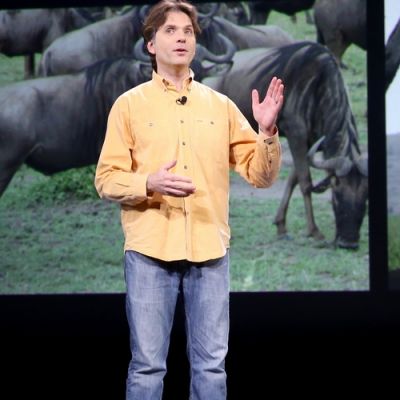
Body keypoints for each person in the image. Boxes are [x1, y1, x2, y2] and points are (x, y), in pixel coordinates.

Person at [95, 1, 284, 398]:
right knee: (147, 368)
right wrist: (149, 182)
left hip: (209, 251)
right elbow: (107, 180)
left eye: (188, 31)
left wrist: (266, 133)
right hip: (150, 252)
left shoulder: (220, 106)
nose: (181, 37)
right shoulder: (129, 105)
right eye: (170, 30)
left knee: (211, 368)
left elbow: (260, 176)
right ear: (151, 44)